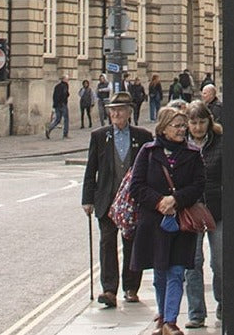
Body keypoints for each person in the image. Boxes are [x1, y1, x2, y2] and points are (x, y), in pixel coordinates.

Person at [129, 104, 206, 335]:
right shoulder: (148, 152)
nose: (183, 130)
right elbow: (136, 186)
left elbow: (199, 186)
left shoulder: (193, 154)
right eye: (177, 126)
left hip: (181, 221)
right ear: (163, 129)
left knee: (176, 271)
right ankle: (163, 317)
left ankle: (171, 320)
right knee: (160, 272)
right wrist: (159, 201)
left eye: (184, 125)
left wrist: (175, 200)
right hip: (154, 223)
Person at [82, 90, 152, 309]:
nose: (116, 114)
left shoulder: (142, 137)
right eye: (112, 111)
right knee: (106, 243)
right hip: (106, 199)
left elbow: (150, 169)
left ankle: (131, 288)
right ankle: (109, 289)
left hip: (133, 201)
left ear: (129, 112)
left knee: (132, 243)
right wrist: (87, 199)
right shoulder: (99, 136)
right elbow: (90, 169)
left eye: (120, 110)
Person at [182, 101, 223, 329]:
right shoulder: (181, 146)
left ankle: (224, 304)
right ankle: (196, 313)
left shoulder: (221, 143)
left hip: (217, 210)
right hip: (191, 211)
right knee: (193, 263)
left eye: (201, 122)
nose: (197, 127)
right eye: (193, 122)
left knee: (220, 262)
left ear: (209, 121)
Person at [46, 73, 70, 139]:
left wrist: (55, 104)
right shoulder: (65, 86)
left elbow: (54, 96)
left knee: (58, 119)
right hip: (62, 104)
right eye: (67, 79)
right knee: (66, 119)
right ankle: (65, 134)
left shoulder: (57, 86)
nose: (68, 80)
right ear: (64, 79)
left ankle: (49, 128)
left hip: (57, 105)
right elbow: (65, 95)